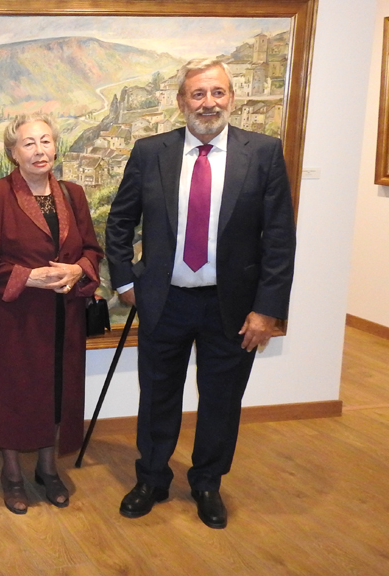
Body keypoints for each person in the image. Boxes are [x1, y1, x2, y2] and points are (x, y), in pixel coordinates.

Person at [105, 58, 296, 529]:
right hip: (164, 301)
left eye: (217, 93)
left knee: (221, 399)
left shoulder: (264, 153)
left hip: (231, 308)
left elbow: (279, 239)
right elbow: (120, 222)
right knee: (157, 396)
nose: (208, 103)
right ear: (181, 102)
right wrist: (127, 282)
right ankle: (151, 478)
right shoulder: (151, 152)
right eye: (198, 94)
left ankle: (207, 483)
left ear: (232, 98)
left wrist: (267, 309)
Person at [0, 113, 103, 514]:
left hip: (64, 316)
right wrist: (28, 277)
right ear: (12, 152)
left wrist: (76, 269)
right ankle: (12, 473)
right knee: (13, 393)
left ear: (56, 147)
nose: (39, 150)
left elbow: (91, 251)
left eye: (46, 141)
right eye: (29, 143)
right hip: (16, 316)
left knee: (57, 391)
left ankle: (48, 469)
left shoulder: (72, 193)